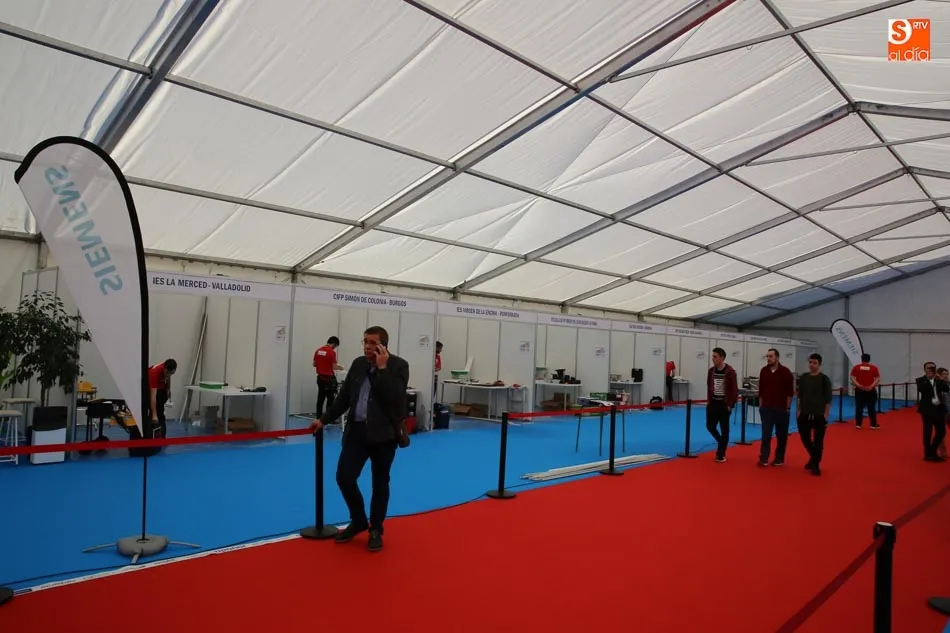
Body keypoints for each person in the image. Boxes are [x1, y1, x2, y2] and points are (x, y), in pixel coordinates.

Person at [310, 326, 410, 551]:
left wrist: (382, 369)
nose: (367, 346)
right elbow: (344, 398)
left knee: (380, 482)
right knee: (344, 477)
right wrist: (323, 420)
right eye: (365, 341)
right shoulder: (358, 364)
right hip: (356, 432)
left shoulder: (399, 366)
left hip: (384, 435)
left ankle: (376, 529)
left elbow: (395, 399)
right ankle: (358, 520)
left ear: (383, 346)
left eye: (373, 342)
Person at [796, 353, 833, 476]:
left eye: (814, 363)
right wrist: (798, 411)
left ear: (819, 364)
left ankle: (815, 464)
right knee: (804, 438)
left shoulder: (824, 379)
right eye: (810, 362)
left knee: (818, 441)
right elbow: (800, 396)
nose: (812, 365)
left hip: (819, 414)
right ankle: (814, 457)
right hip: (804, 413)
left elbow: (828, 399)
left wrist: (825, 414)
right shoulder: (804, 378)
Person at [757, 348, 795, 467]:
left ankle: (779, 458)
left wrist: (788, 408)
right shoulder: (764, 371)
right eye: (767, 356)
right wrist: (761, 406)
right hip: (766, 408)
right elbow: (761, 390)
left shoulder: (786, 372)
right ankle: (764, 458)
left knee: (781, 436)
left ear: (777, 358)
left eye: (771, 356)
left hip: (781, 409)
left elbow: (790, 392)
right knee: (766, 434)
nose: (768, 358)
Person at [706, 347, 737, 463]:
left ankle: (721, 453)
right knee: (710, 426)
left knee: (725, 430)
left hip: (724, 404)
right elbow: (709, 386)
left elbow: (734, 389)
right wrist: (709, 402)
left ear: (722, 358)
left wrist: (729, 405)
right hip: (713, 403)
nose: (713, 359)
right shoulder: (711, 371)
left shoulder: (730, 371)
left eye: (715, 357)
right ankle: (721, 442)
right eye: (712, 356)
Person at [915, 361, 947, 462]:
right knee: (927, 432)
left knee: (941, 432)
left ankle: (933, 450)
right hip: (927, 410)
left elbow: (946, 389)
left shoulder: (938, 380)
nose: (931, 370)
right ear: (925, 369)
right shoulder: (920, 380)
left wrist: (940, 379)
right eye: (929, 368)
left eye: (933, 368)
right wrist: (930, 379)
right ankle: (928, 454)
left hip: (939, 409)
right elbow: (923, 390)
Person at [313, 336, 344, 418]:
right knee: (330, 399)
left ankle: (318, 418)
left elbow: (314, 364)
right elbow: (334, 367)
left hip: (320, 378)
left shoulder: (318, 350)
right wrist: (341, 367)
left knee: (320, 399)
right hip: (329, 380)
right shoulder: (331, 352)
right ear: (334, 344)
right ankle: (328, 418)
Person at [147, 358, 177, 439]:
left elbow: (168, 376)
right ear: (164, 368)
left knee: (161, 414)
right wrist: (154, 415)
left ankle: (161, 437)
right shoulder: (154, 373)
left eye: (172, 373)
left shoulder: (167, 369)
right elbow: (153, 396)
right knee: (156, 416)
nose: (169, 374)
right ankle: (154, 437)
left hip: (161, 387)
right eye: (167, 372)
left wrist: (168, 390)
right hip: (151, 389)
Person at [850, 353, 880, 430]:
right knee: (871, 407)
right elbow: (877, 378)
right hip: (871, 390)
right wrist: (871, 386)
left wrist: (858, 385)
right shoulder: (874, 368)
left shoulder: (856, 367)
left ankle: (858, 424)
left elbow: (852, 377)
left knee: (859, 407)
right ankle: (873, 425)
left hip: (859, 390)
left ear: (861, 359)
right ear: (869, 359)